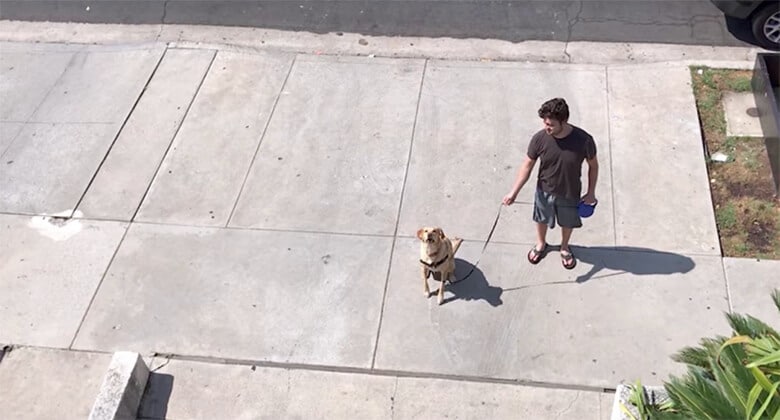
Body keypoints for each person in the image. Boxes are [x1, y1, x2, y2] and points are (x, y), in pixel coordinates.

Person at [502, 98, 598, 270]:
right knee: (541, 219)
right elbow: (527, 165)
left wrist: (591, 192)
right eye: (545, 123)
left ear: (564, 121)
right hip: (544, 190)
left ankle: (564, 247)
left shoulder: (584, 140)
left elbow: (593, 166)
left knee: (568, 222)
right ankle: (541, 244)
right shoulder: (540, 139)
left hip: (570, 192)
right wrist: (513, 192)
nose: (547, 128)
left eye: (551, 125)